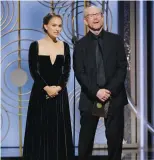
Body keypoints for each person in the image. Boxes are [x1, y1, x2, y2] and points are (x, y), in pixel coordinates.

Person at [73, 6, 128, 160]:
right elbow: (79, 72)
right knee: (85, 140)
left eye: (98, 14)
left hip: (114, 96)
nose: (95, 18)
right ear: (85, 20)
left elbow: (122, 67)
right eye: (91, 15)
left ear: (102, 17)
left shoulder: (115, 39)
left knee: (115, 139)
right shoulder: (80, 45)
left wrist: (109, 90)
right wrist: (96, 91)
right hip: (90, 97)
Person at [23, 13, 74, 160]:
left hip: (59, 94)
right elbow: (34, 71)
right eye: (54, 25)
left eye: (59, 25)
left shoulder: (64, 46)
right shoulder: (35, 45)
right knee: (40, 131)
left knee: (58, 131)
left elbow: (67, 70)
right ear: (46, 26)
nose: (57, 29)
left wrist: (58, 88)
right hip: (40, 94)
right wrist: (47, 88)